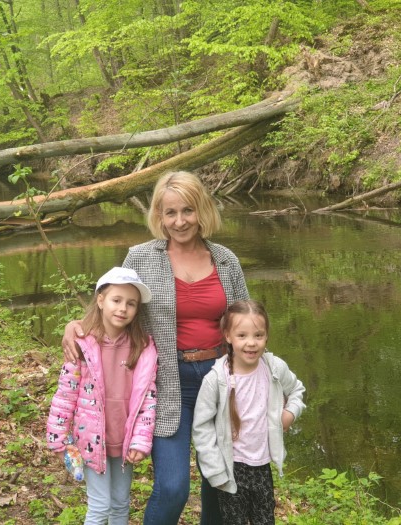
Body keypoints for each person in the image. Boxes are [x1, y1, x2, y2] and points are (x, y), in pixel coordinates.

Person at [62, 171, 250, 525]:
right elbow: (114, 306)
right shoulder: (140, 258)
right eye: (170, 212)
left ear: (202, 210)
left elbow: (245, 324)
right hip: (166, 381)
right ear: (159, 216)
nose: (180, 221)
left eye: (188, 210)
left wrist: (259, 378)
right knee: (173, 486)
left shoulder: (226, 260)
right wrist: (77, 326)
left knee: (220, 480)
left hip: (219, 380)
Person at [47, 266, 158, 525]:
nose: (122, 308)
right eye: (116, 300)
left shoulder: (142, 348)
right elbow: (65, 395)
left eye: (130, 303)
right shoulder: (82, 346)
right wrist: (57, 438)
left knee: (120, 503)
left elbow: (147, 399)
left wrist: (140, 441)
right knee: (100, 505)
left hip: (123, 440)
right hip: (91, 440)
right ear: (100, 300)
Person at [192, 300, 306, 525]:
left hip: (262, 467)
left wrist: (290, 413)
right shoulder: (216, 379)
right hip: (231, 469)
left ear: (267, 336)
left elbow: (297, 390)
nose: (251, 343)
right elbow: (202, 428)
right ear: (228, 336)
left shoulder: (274, 368)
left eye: (258, 335)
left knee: (265, 520)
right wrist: (216, 471)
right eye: (242, 335)